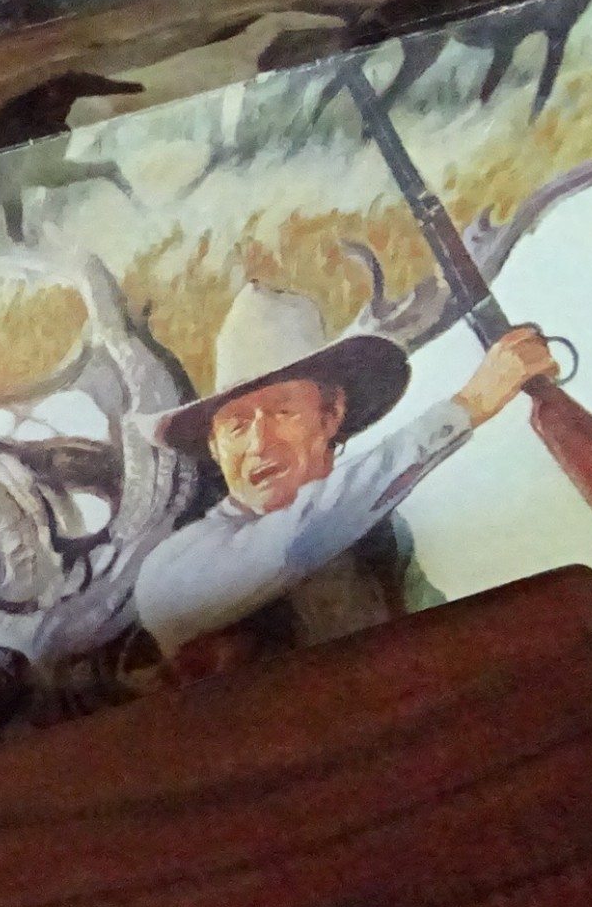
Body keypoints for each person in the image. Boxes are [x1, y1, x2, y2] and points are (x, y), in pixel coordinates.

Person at [132, 281, 561, 661]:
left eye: (283, 412)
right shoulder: (170, 574)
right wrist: (466, 407)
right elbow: (299, 539)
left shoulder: (383, 536)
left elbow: (435, 636)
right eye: (237, 426)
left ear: (333, 413)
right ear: (214, 446)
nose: (260, 444)